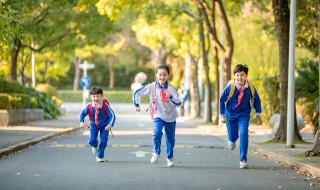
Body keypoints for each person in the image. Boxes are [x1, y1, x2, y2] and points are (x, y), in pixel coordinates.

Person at [133, 64, 181, 167]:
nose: (162, 77)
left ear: (168, 75)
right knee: (157, 133)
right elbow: (137, 93)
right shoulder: (152, 87)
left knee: (170, 139)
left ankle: (169, 157)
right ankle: (156, 152)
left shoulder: (171, 89)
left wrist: (171, 97)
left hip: (170, 117)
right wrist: (137, 105)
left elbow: (178, 103)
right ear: (156, 75)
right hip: (158, 115)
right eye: (160, 75)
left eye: (164, 75)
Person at [219, 64, 262, 169]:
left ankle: (243, 159)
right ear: (234, 76)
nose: (239, 77)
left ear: (246, 76)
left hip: (244, 114)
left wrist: (258, 115)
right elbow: (221, 99)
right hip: (231, 114)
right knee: (233, 136)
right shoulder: (231, 87)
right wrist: (222, 115)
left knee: (243, 133)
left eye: (242, 75)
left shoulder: (250, 88)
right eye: (237, 75)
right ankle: (232, 140)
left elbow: (257, 100)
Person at [79, 87, 116, 162]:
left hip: (105, 126)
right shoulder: (89, 106)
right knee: (91, 141)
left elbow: (112, 116)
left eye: (98, 96)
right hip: (94, 125)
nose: (96, 98)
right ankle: (95, 145)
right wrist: (81, 122)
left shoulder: (105, 106)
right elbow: (82, 113)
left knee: (104, 141)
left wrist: (110, 125)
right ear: (91, 97)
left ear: (102, 96)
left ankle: (100, 156)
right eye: (94, 96)